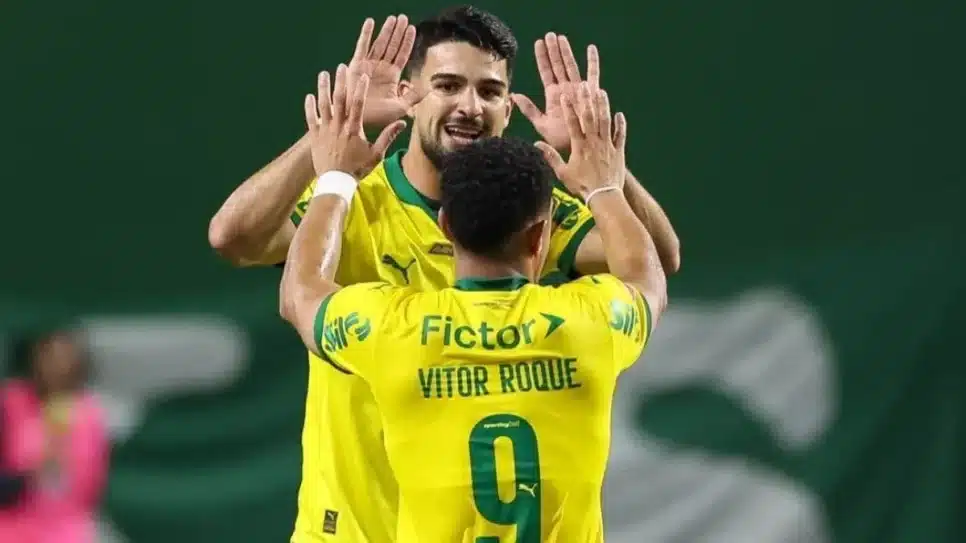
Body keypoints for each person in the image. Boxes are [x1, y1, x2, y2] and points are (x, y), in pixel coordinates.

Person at [208, 7, 680, 542]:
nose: (470, 107)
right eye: (448, 85)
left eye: (490, 91)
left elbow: (660, 257)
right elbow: (233, 237)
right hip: (354, 529)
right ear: (408, 95)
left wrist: (592, 155)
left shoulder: (522, 214)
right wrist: (335, 137)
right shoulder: (351, 203)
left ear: (509, 108)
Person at [0, 328, 110, 543]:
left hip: (67, 530)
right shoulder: (9, 404)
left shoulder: (91, 413)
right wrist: (25, 479)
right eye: (49, 356)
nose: (56, 365)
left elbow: (93, 486)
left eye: (65, 356)